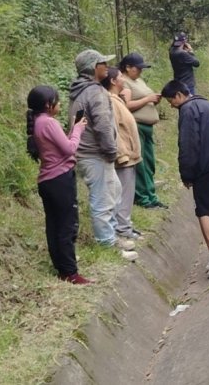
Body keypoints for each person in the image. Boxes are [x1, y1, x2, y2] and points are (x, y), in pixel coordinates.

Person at [161, 79, 209, 279]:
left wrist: (186, 173)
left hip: (202, 168)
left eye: (170, 100)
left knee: (203, 211)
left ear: (178, 95)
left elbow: (187, 145)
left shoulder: (187, 111)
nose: (171, 105)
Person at [68, 49, 136, 261]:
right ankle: (107, 243)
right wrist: (111, 150)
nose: (107, 66)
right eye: (103, 63)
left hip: (89, 153)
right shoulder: (95, 92)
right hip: (94, 154)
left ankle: (113, 236)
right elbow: (103, 125)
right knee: (103, 200)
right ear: (93, 68)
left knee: (113, 192)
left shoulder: (80, 90)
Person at [26, 85, 96, 283]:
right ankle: (71, 272)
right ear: (48, 105)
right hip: (60, 179)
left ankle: (62, 267)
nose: (60, 104)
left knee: (54, 225)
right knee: (66, 225)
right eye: (57, 101)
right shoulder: (49, 123)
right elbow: (70, 148)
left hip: (47, 180)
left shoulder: (39, 122)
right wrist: (78, 129)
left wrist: (72, 130)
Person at [118, 53, 167, 209]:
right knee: (141, 164)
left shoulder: (137, 80)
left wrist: (154, 99)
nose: (140, 71)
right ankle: (143, 198)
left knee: (149, 163)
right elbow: (125, 106)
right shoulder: (123, 82)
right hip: (136, 127)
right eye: (137, 68)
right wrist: (147, 99)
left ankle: (151, 195)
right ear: (127, 68)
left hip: (147, 127)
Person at [102, 67, 143, 241]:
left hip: (129, 154)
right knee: (123, 194)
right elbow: (114, 131)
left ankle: (125, 225)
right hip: (124, 156)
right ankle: (122, 228)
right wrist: (122, 154)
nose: (123, 79)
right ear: (112, 81)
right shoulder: (110, 101)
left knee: (127, 193)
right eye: (120, 77)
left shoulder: (116, 99)